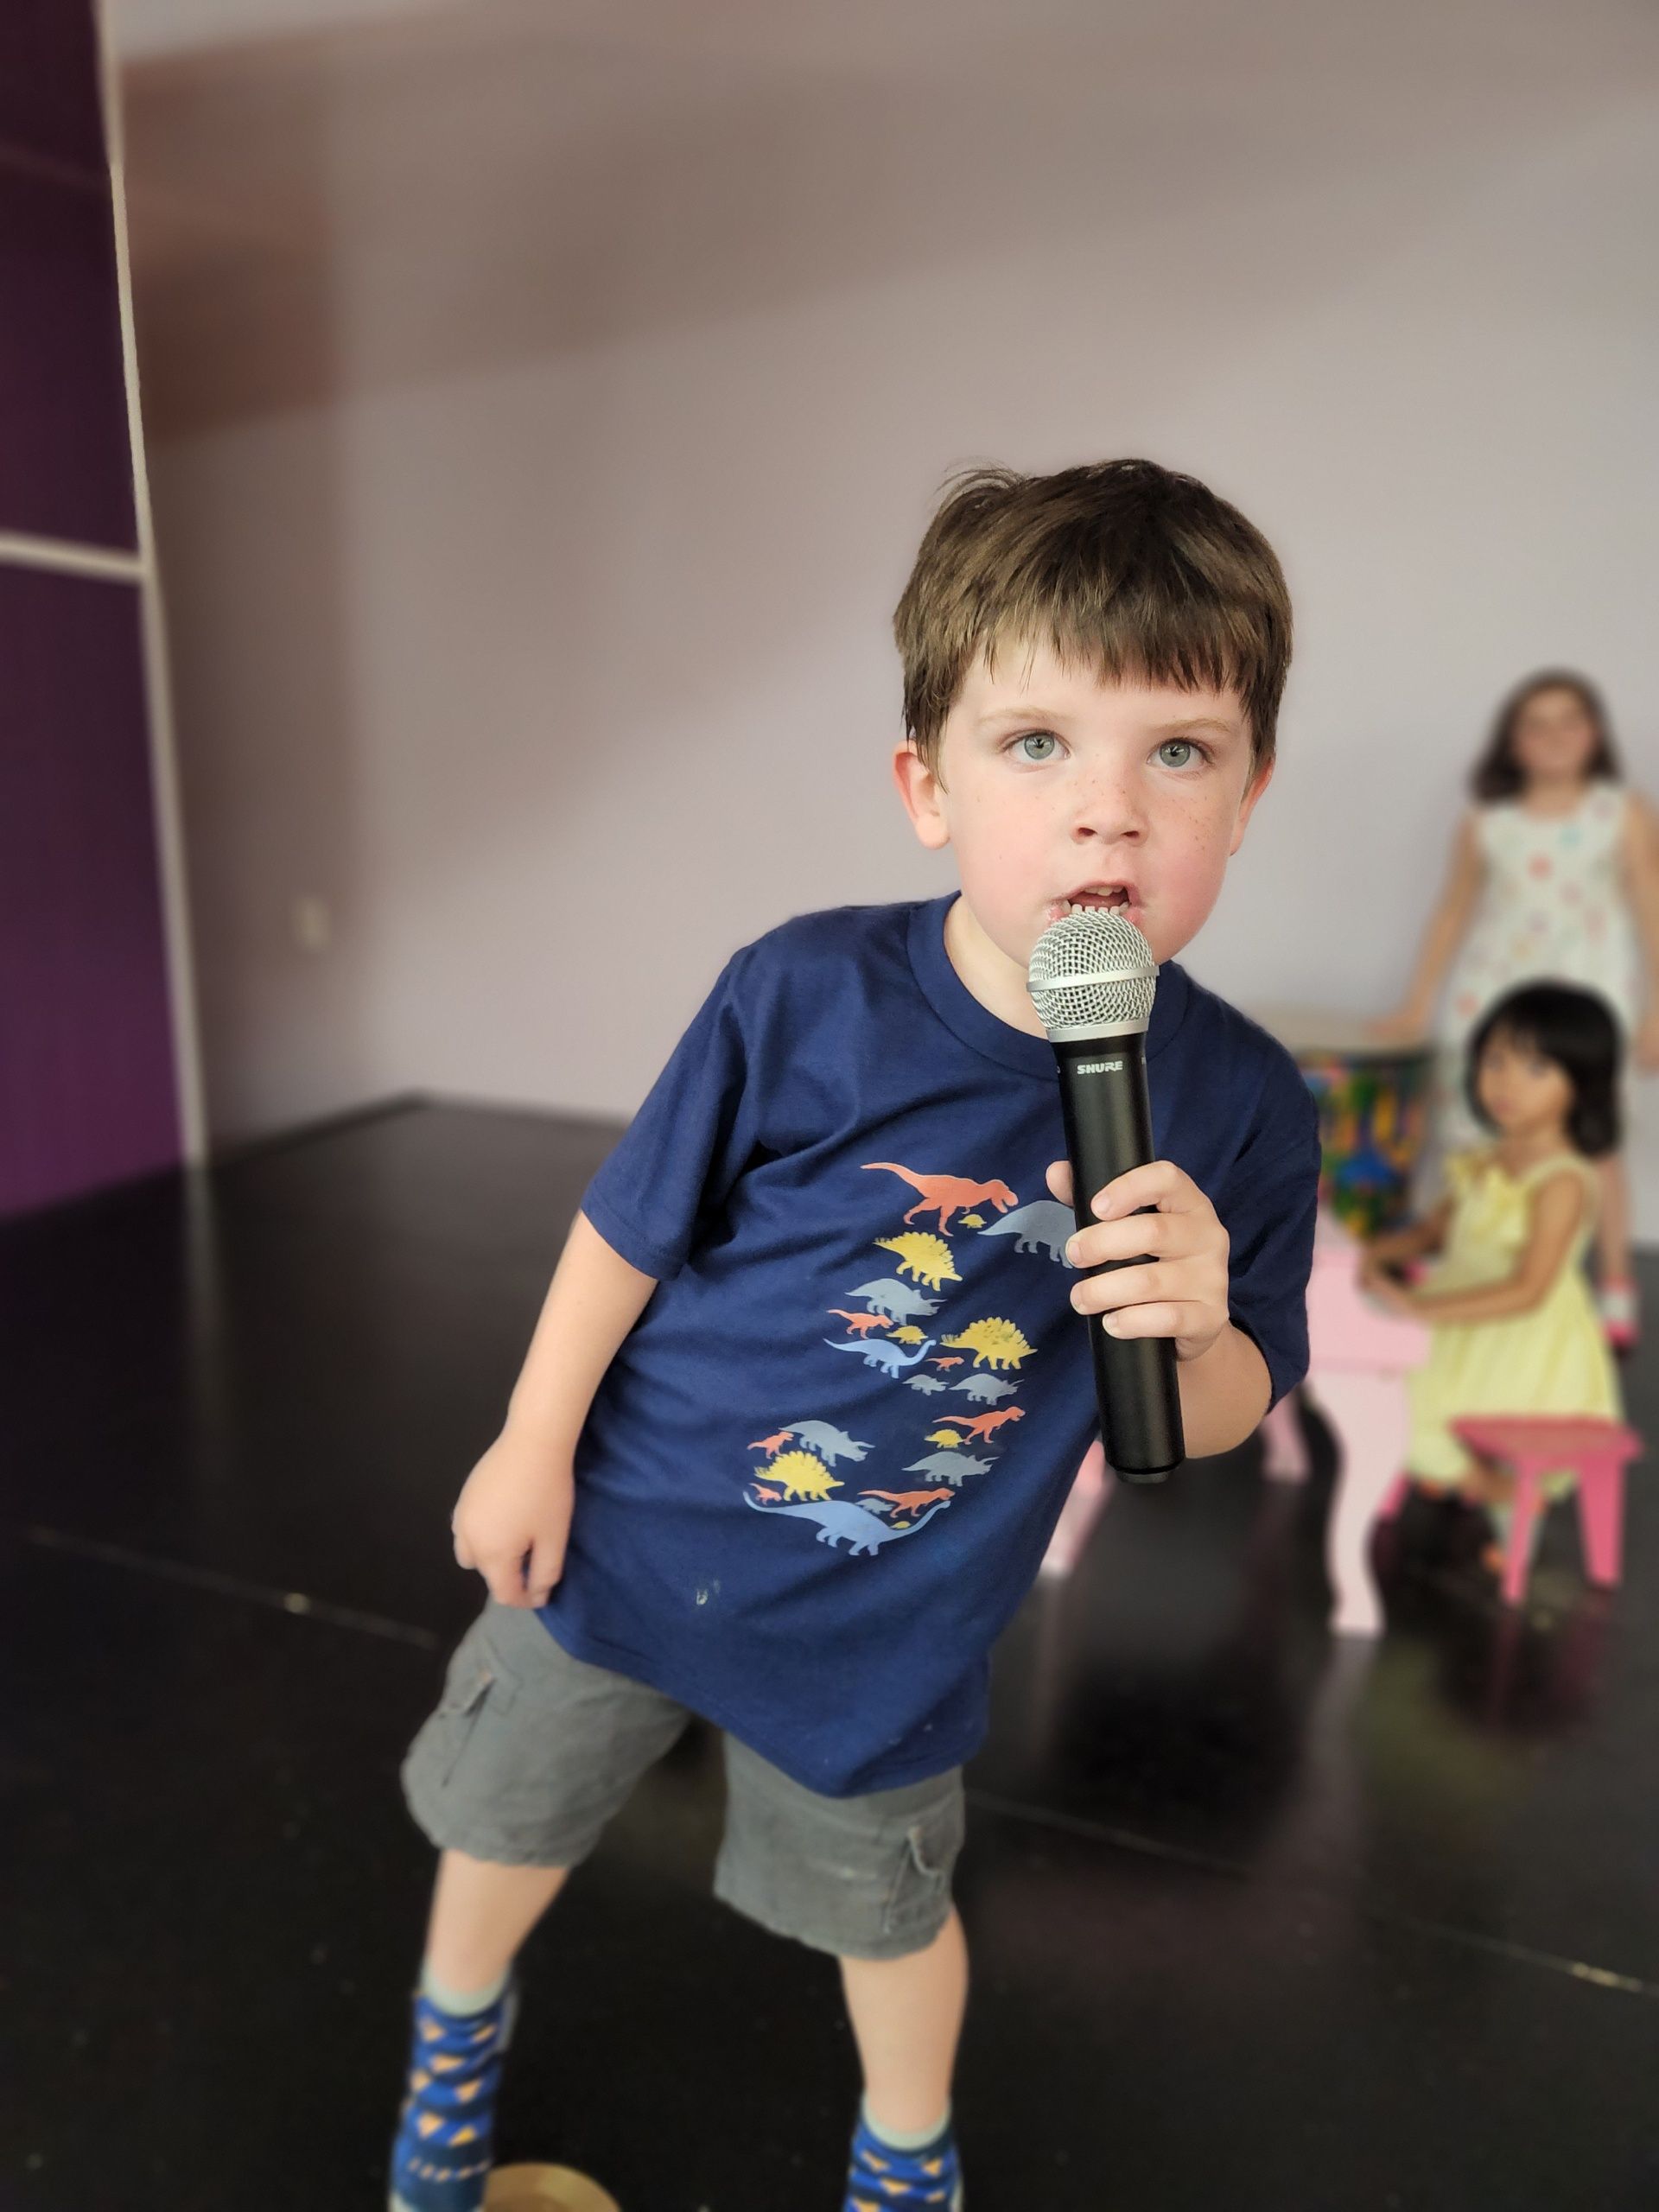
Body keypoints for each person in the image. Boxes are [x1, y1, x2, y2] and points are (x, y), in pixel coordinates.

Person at [388, 460, 1322, 2212]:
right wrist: (531, 1437)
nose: (1107, 813)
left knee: (887, 1913)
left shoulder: (1245, 1104)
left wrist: (1193, 1324)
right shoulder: (800, 988)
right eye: (1037, 742)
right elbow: (625, 1227)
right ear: (928, 785)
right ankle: (449, 2055)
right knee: (502, 1813)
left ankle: (907, 2153)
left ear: (1249, 791)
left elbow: (1216, 1411)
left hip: (888, 1620)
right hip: (632, 1528)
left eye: (1176, 752)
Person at [1373, 670, 1659, 1350]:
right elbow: (1453, 910)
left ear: (1594, 734)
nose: (1554, 736)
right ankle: (1462, 1267)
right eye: (1536, 723)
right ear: (1513, 741)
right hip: (1494, 993)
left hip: (1589, 999)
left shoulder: (1618, 813)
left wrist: (1656, 1010)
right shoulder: (1488, 822)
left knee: (1594, 1144)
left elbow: (1651, 908)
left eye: (1570, 721)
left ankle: (1615, 1280)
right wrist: (1417, 1003)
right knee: (1479, 1134)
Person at [1360, 982, 1624, 1571]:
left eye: (1535, 1067)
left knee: (1402, 1408)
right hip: (1456, 1314)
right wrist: (1368, 1253)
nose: (1506, 1081)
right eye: (1496, 1060)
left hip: (1517, 1342)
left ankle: (1492, 1487)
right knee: (1378, 1381)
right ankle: (1454, 1471)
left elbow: (1530, 1291)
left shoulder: (1563, 1179)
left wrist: (1418, 1308)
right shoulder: (1486, 1157)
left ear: (1581, 1083)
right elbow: (1430, 1234)